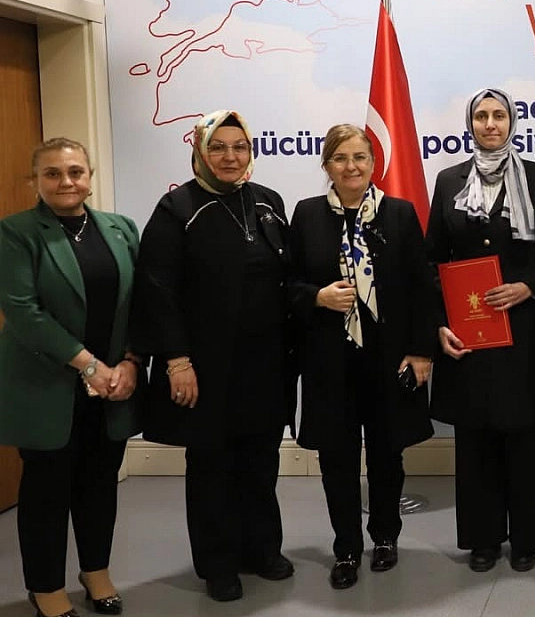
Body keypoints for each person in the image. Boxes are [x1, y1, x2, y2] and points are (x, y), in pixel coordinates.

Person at [132, 110, 297, 602]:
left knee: (261, 459)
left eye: (239, 147)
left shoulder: (268, 201)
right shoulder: (177, 208)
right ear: (201, 152)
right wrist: (177, 361)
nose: (230, 156)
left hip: (266, 362)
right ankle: (218, 563)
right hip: (205, 365)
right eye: (218, 147)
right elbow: (157, 289)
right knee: (212, 464)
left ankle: (261, 549)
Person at [426, 88, 535, 574]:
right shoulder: (448, 181)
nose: (490, 124)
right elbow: (433, 259)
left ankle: (526, 537)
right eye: (481, 116)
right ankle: (483, 538)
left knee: (523, 435)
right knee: (474, 439)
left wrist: (530, 286)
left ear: (512, 122)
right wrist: (439, 322)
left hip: (524, 329)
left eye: (499, 115)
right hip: (467, 329)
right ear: (470, 124)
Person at [0, 139, 143, 617]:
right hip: (47, 384)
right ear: (35, 181)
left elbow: (140, 303)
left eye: (76, 171)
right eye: (53, 173)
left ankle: (96, 572)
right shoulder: (16, 232)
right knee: (46, 491)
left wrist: (130, 361)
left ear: (90, 176)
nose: (66, 181)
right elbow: (24, 311)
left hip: (113, 385)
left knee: (100, 484)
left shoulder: (120, 228)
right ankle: (45, 587)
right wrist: (89, 365)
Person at [289, 124, 435, 589]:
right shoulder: (307, 214)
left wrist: (421, 351)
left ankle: (386, 537)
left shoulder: (400, 214)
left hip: (388, 358)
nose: (351, 167)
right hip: (330, 360)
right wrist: (317, 297)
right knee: (337, 457)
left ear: (374, 163)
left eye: (360, 157)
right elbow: (287, 284)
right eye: (340, 158)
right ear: (326, 165)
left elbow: (421, 287)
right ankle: (347, 548)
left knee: (388, 453)